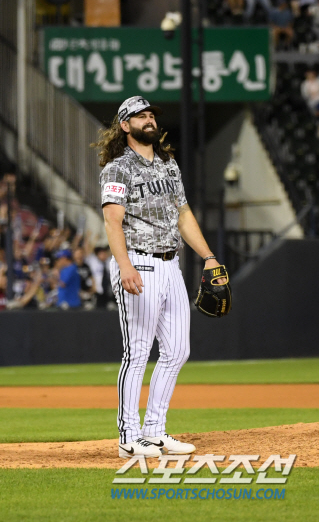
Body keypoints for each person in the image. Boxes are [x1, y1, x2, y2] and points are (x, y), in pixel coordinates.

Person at [93, 96, 227, 459]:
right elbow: (112, 221)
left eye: (151, 114)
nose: (149, 119)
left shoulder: (169, 165)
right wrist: (124, 265)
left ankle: (153, 432)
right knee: (137, 352)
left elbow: (183, 214)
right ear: (125, 125)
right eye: (140, 116)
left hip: (171, 266)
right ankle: (128, 436)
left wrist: (209, 257)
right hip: (137, 261)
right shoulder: (118, 168)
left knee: (178, 350)